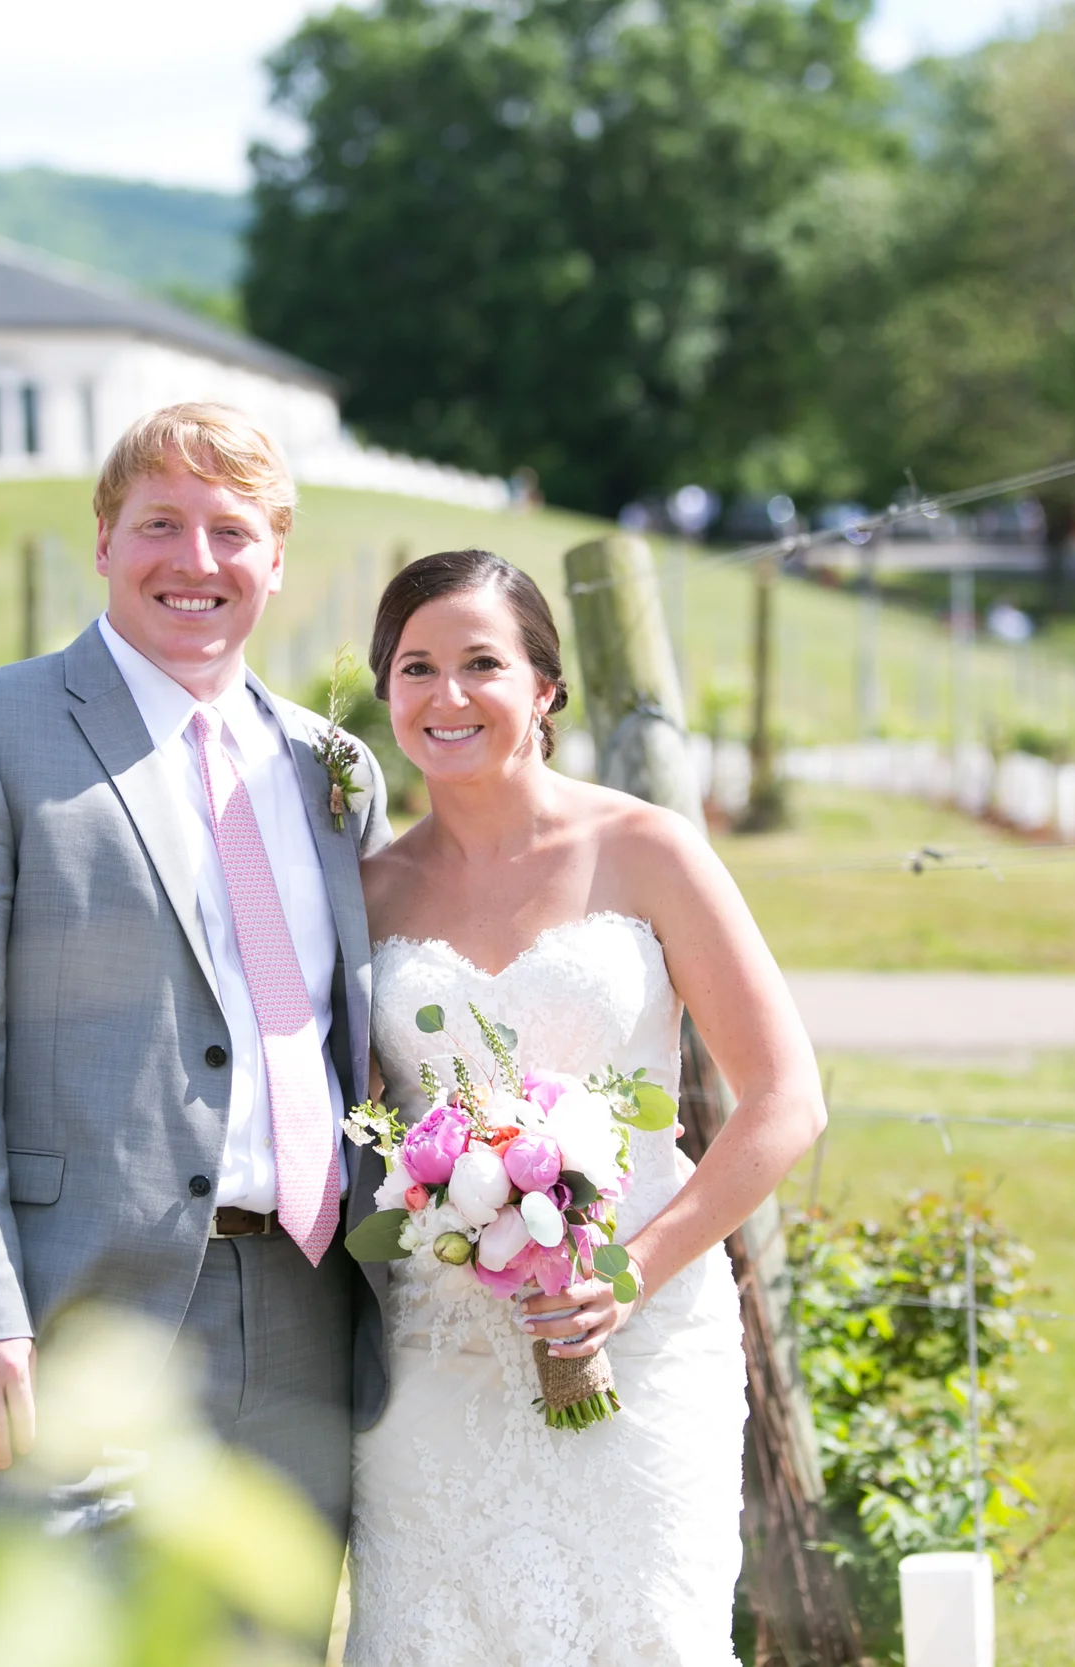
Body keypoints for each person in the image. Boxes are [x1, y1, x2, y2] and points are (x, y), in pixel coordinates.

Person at [0, 402, 393, 1642]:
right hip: (70, 1310)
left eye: (231, 531)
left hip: (307, 1310)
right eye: (160, 524)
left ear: (276, 557)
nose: (194, 562)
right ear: (102, 540)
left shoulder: (332, 769)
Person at [341, 549, 827, 1666]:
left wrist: (626, 1273)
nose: (446, 694)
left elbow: (783, 1098)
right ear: (386, 690)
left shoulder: (647, 849)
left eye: (481, 663)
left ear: (546, 688)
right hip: (438, 1355)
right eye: (416, 667)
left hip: (642, 1344)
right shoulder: (365, 892)